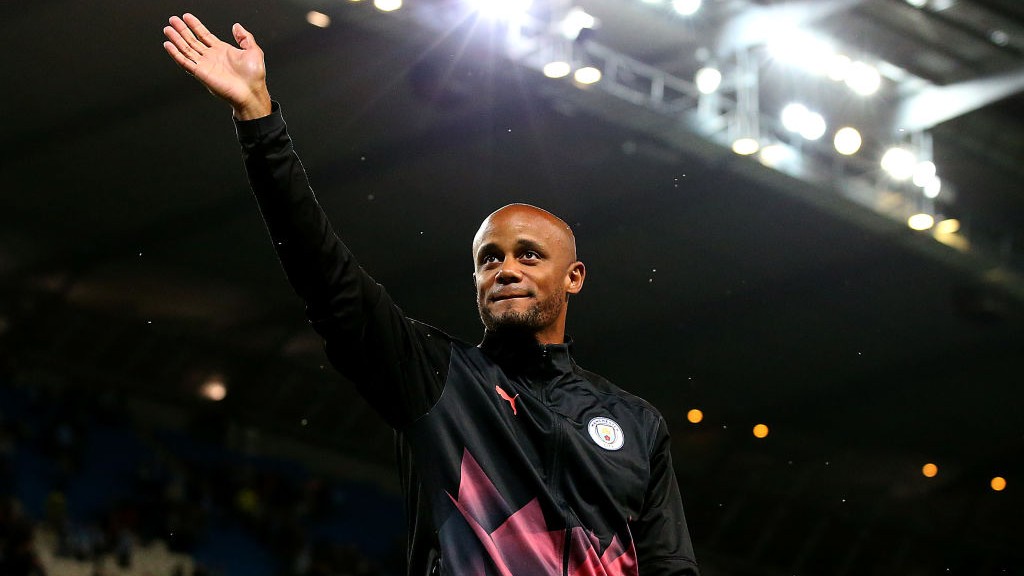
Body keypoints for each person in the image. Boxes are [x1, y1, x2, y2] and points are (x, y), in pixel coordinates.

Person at [162, 13, 699, 576]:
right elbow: (325, 276)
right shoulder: (438, 379)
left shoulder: (636, 425)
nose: (506, 270)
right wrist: (259, 119)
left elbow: (671, 568)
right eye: (490, 259)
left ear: (574, 277)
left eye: (529, 255)